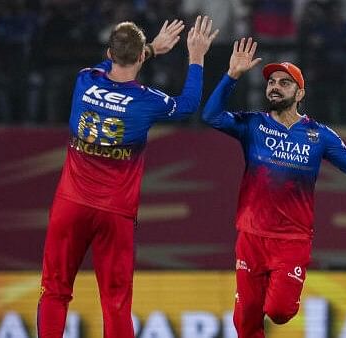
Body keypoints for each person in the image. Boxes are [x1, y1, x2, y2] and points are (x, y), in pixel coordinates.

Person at [202, 37, 346, 338]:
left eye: (284, 82)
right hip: (251, 235)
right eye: (272, 82)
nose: (275, 87)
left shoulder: (318, 135)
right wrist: (232, 75)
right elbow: (211, 116)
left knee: (280, 312)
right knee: (246, 321)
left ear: (299, 93)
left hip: (292, 240)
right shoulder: (252, 125)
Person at [37, 16, 218, 338]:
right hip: (115, 213)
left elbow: (115, 59)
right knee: (116, 302)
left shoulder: (85, 80)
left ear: (109, 53)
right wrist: (196, 56)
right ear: (139, 58)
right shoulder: (147, 102)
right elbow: (188, 105)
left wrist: (150, 48)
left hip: (70, 206)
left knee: (55, 290)